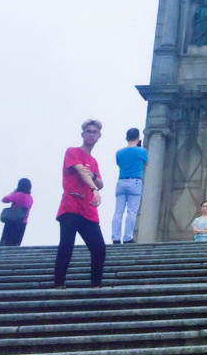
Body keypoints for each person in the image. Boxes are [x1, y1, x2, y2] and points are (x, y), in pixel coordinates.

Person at [53, 119, 106, 288]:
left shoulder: (93, 161)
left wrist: (95, 178)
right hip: (71, 206)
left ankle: (96, 286)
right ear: (82, 134)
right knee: (66, 245)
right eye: (88, 131)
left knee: (99, 248)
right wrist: (94, 188)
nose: (91, 134)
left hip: (88, 210)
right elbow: (82, 171)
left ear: (99, 136)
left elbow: (100, 183)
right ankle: (58, 284)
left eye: (94, 132)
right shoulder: (73, 151)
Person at [111, 128, 149, 244]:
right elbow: (146, 163)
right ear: (138, 137)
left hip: (121, 181)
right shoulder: (142, 151)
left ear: (126, 138)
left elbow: (119, 164)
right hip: (135, 182)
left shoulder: (119, 152)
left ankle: (115, 237)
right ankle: (127, 237)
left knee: (118, 211)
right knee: (131, 212)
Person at [0, 178, 33, 247]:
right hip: (22, 222)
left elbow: (4, 199)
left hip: (11, 221)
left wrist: (14, 192)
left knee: (6, 241)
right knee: (16, 243)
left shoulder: (17, 194)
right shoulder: (30, 198)